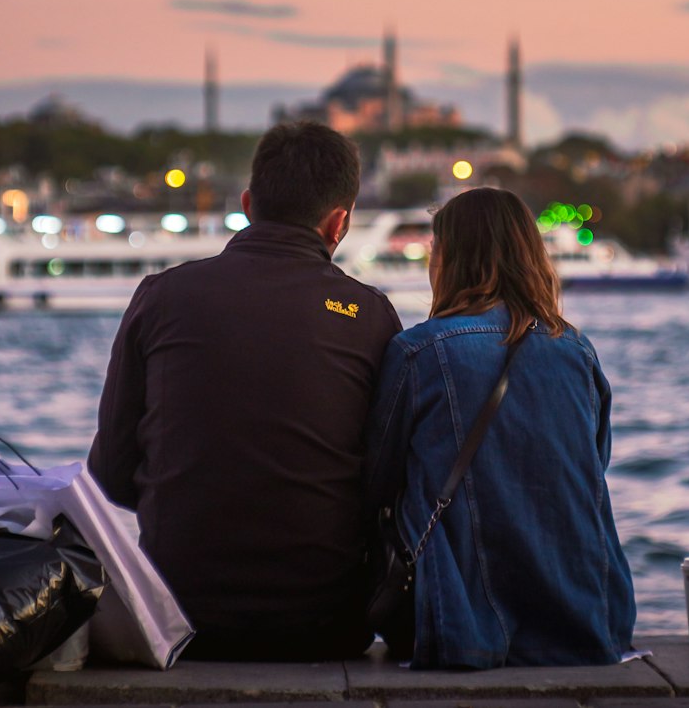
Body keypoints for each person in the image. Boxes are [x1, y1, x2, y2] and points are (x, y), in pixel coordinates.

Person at [89, 121, 402, 660]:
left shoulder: (162, 297)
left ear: (248, 202)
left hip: (177, 617)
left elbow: (112, 477)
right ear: (340, 222)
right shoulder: (369, 315)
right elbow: (387, 485)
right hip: (327, 625)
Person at [365, 187, 636, 669]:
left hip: (462, 625)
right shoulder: (577, 351)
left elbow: (378, 480)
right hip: (587, 622)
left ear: (451, 260)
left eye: (435, 250)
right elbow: (596, 464)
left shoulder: (419, 352)